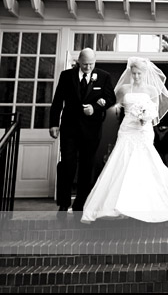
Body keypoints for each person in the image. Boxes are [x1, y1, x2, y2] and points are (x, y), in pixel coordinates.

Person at [81, 57, 168, 223]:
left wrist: (146, 117)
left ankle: (147, 204)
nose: (136, 77)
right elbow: (109, 100)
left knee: (146, 162)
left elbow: (154, 111)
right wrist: (96, 104)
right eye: (134, 73)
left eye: (139, 74)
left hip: (143, 130)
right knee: (121, 161)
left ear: (144, 73)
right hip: (127, 129)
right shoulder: (123, 89)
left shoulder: (152, 90)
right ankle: (117, 205)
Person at [49, 48, 117, 214]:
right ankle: (63, 203)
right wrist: (53, 124)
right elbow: (58, 100)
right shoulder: (66, 76)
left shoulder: (103, 76)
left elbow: (111, 99)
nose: (88, 67)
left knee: (87, 166)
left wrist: (95, 108)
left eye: (91, 64)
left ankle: (81, 204)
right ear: (79, 61)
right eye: (85, 64)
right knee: (67, 164)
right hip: (69, 128)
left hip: (92, 129)